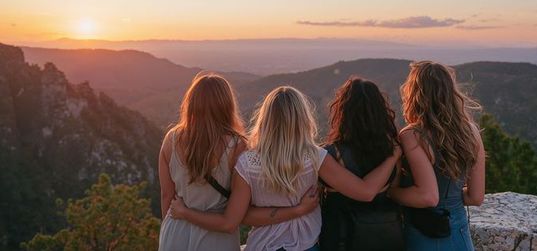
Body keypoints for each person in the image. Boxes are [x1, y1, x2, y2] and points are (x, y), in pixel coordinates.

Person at [170, 86, 400, 251]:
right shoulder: (315, 157)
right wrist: (392, 156)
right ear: (302, 120)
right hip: (304, 245)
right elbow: (366, 192)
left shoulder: (247, 163)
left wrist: (185, 212)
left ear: (266, 120)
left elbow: (241, 217)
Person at [158, 74, 316, 251]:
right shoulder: (237, 146)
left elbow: (166, 196)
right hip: (216, 237)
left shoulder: (171, 139)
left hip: (176, 229)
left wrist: (172, 226)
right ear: (227, 105)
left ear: (191, 103)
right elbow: (244, 209)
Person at [389, 61, 485, 251]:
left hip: (425, 234)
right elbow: (476, 197)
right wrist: (451, 199)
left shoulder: (412, 136)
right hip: (460, 235)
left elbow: (427, 197)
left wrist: (391, 193)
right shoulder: (471, 132)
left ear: (414, 95)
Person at [320, 77, 403, 251]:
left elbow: (366, 192)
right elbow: (393, 191)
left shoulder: (330, 155)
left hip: (341, 240)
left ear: (342, 112)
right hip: (384, 239)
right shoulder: (393, 152)